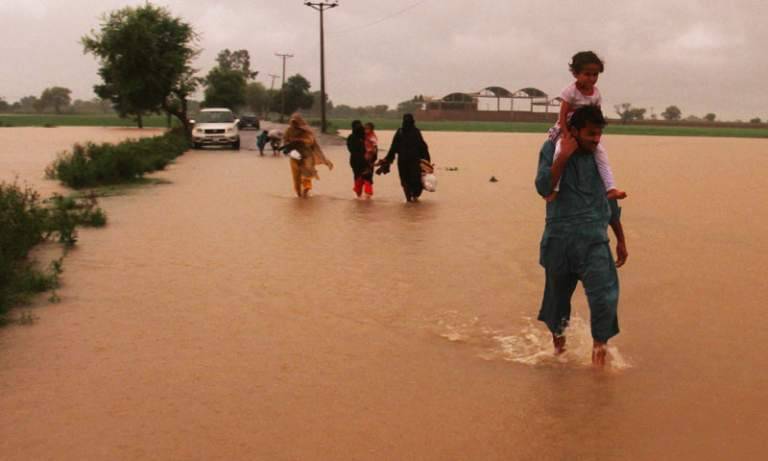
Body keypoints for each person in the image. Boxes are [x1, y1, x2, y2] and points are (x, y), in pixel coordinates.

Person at [534, 105, 628, 366]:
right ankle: (559, 355)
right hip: (559, 241)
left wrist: (620, 238)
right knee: (557, 303)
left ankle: (599, 354)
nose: (596, 140)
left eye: (599, 135)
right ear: (574, 131)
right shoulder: (551, 149)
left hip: (594, 241)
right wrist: (563, 156)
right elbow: (543, 187)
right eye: (590, 134)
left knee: (605, 298)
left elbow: (609, 197)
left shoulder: (597, 156)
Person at [546, 51, 626, 203]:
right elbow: (562, 115)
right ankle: (554, 189)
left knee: (602, 155)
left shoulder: (596, 94)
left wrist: (596, 133)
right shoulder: (570, 92)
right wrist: (565, 133)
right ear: (576, 74)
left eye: (595, 75)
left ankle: (611, 188)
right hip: (568, 128)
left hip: (586, 128)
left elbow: (597, 115)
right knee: (559, 153)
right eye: (587, 74)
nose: (591, 78)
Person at [376, 114, 430, 202]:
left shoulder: (401, 132)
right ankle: (413, 199)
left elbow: (393, 147)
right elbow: (423, 147)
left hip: (404, 161)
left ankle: (409, 199)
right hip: (413, 161)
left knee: (405, 180)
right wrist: (427, 160)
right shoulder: (415, 132)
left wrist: (388, 159)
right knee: (414, 180)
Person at [281, 114, 334, 198]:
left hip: (306, 155)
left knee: (307, 173)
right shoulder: (288, 131)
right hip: (294, 156)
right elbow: (285, 141)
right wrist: (289, 144)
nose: (294, 125)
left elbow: (310, 141)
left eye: (296, 123)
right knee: (296, 176)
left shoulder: (306, 131)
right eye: (293, 123)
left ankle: (306, 191)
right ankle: (299, 194)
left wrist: (300, 140)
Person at [346, 120, 371, 198]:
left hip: (356, 160)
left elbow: (350, 149)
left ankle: (360, 196)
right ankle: (365, 197)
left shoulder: (351, 137)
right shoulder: (363, 137)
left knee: (359, 177)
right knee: (365, 177)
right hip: (361, 161)